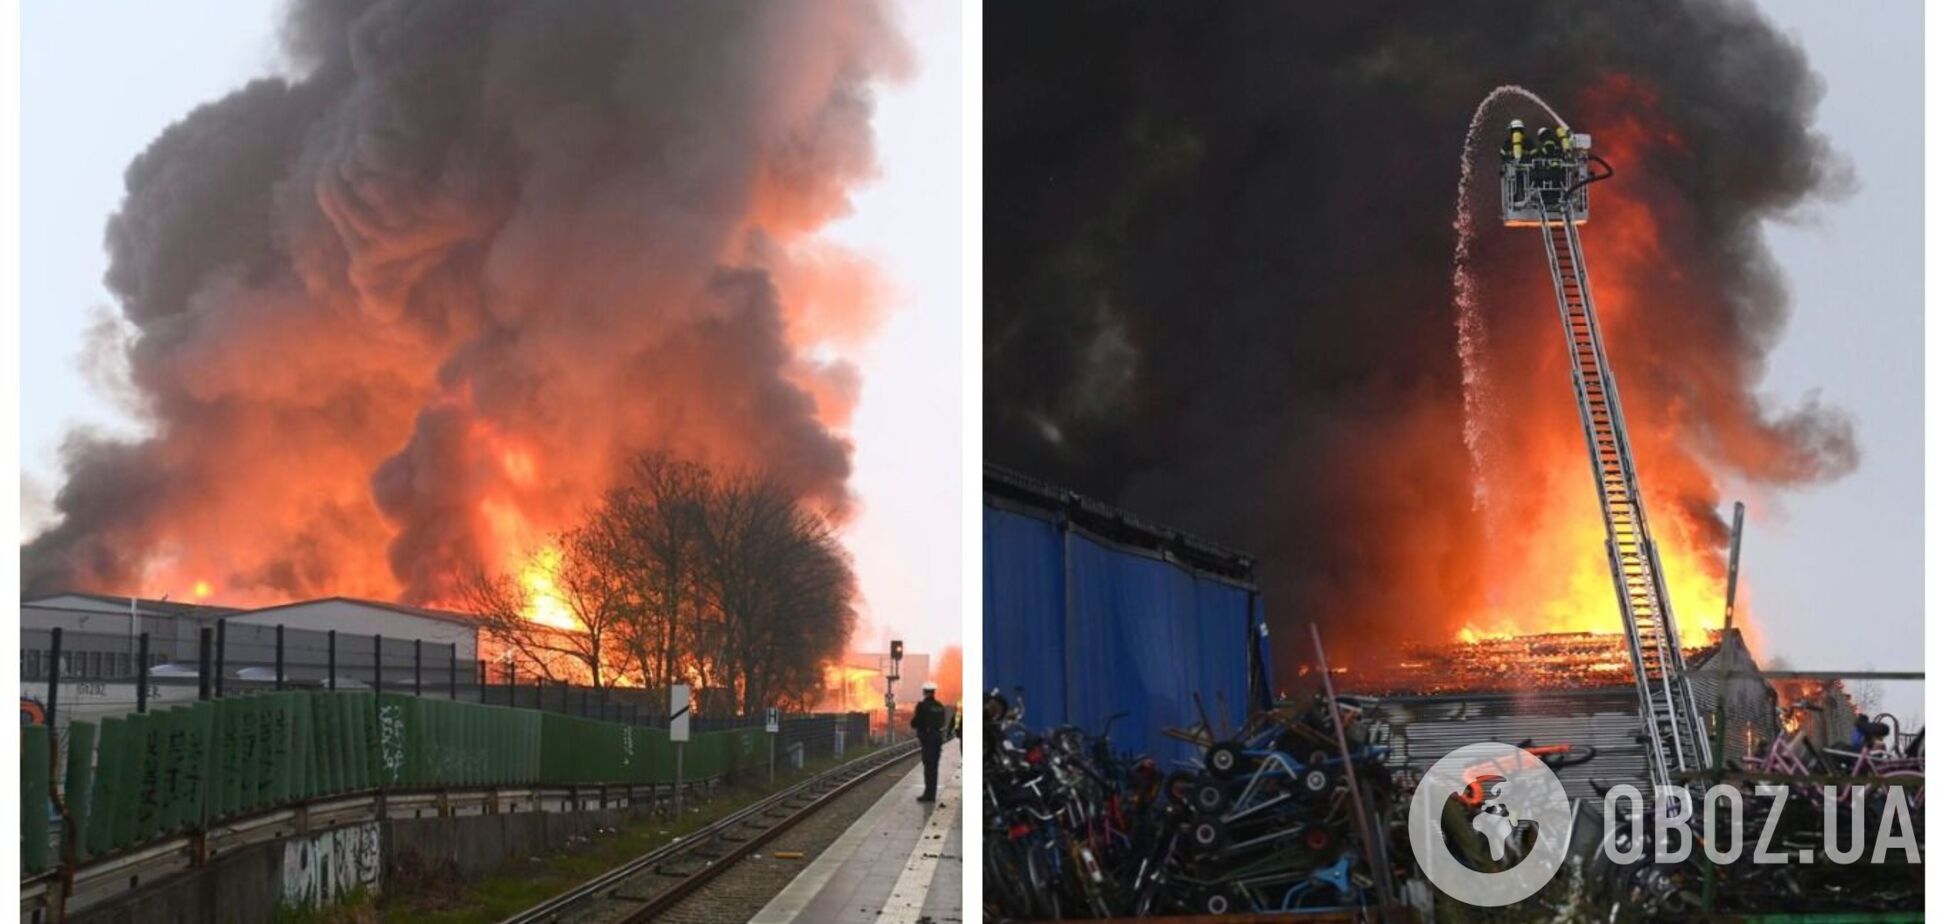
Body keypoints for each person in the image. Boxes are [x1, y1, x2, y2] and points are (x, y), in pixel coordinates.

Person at [910, 680, 948, 801]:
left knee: (928, 767)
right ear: (933, 692)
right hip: (937, 737)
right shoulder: (940, 706)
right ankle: (932, 794)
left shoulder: (922, 706)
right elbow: (942, 722)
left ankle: (928, 795)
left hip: (928, 738)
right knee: (934, 767)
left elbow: (915, 722)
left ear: (924, 692)